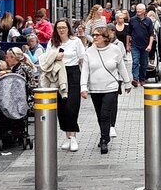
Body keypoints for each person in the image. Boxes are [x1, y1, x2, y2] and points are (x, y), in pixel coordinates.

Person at [80, 27, 131, 154]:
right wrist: (83, 87)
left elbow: (121, 67)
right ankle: (104, 133)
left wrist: (127, 82)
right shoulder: (89, 52)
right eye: (94, 35)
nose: (95, 37)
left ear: (105, 37)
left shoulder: (115, 50)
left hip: (111, 87)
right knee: (99, 114)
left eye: (98, 35)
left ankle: (104, 139)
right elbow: (85, 70)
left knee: (105, 113)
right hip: (95, 88)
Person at [47, 19, 86, 152]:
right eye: (59, 28)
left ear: (68, 28)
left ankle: (73, 136)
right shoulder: (52, 43)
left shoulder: (76, 42)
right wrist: (55, 57)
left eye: (64, 27)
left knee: (72, 106)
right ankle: (67, 136)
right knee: (62, 108)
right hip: (58, 74)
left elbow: (83, 60)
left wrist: (85, 83)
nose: (62, 30)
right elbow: (47, 58)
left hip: (73, 73)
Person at [107, 23, 132, 139]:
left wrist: (125, 80)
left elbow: (123, 62)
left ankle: (112, 125)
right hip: (102, 79)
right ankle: (105, 125)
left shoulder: (119, 45)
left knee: (113, 102)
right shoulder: (99, 44)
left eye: (111, 31)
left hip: (116, 78)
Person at [127, 3, 154, 86]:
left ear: (144, 11)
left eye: (140, 9)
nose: (138, 11)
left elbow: (151, 34)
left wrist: (150, 45)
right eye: (137, 9)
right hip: (135, 45)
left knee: (143, 63)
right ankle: (135, 79)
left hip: (145, 46)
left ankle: (142, 78)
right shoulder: (132, 20)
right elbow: (128, 33)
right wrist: (127, 45)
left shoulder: (148, 21)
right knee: (135, 61)